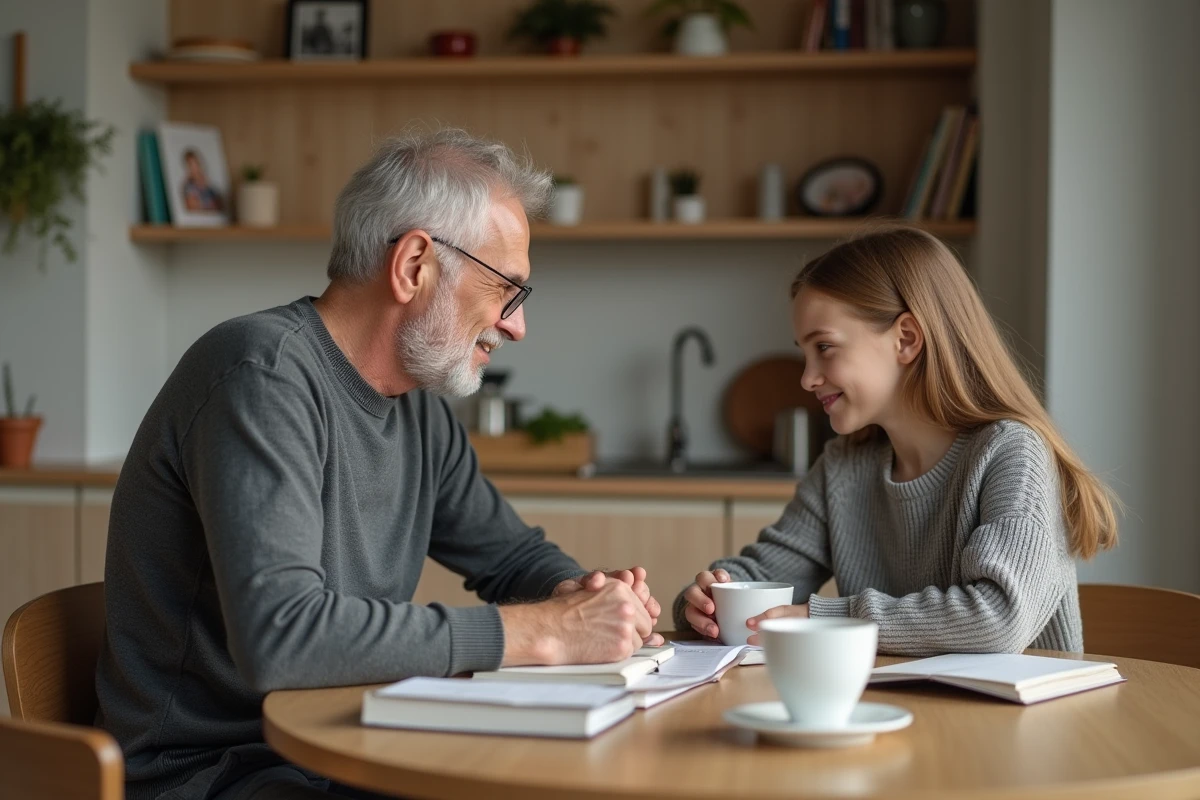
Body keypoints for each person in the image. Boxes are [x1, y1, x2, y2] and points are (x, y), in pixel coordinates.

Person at [96, 128, 663, 800]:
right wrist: (542, 633)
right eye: (507, 289)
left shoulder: (417, 410)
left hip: (345, 744)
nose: (516, 326)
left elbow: (510, 562)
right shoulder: (259, 375)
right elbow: (284, 638)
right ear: (414, 264)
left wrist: (589, 599)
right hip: (218, 773)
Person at [676, 226, 1119, 655]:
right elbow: (766, 573)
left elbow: (999, 617)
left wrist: (825, 619)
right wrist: (710, 598)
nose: (807, 378)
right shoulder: (844, 466)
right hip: (902, 716)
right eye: (804, 353)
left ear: (905, 339)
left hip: (1020, 727)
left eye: (824, 348)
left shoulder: (1011, 453)